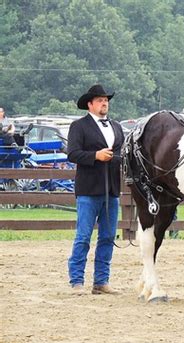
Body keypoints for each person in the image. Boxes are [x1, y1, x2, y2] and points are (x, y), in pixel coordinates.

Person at [67, 85, 124, 295]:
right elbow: (72, 154)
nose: (104, 103)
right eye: (100, 100)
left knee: (108, 237)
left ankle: (101, 280)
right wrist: (95, 156)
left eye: (106, 100)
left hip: (111, 190)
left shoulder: (117, 127)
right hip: (88, 190)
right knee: (83, 237)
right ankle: (77, 280)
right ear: (90, 104)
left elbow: (121, 154)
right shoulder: (79, 126)